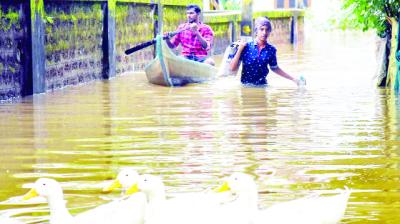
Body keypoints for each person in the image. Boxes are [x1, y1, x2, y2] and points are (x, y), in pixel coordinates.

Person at [229, 17, 301, 86]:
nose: (264, 32)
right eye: (262, 29)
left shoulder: (271, 50)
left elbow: (275, 68)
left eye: (267, 30)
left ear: (270, 32)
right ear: (256, 31)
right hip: (246, 87)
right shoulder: (246, 47)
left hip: (262, 87)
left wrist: (293, 79)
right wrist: (239, 49)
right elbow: (232, 68)